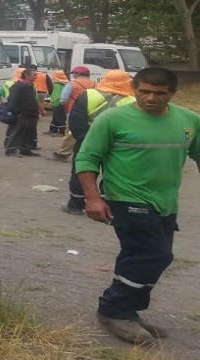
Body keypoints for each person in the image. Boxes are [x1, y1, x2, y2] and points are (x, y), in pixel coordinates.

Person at [75, 67, 200, 345]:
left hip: (166, 202)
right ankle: (114, 310)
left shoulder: (189, 120)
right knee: (156, 255)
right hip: (126, 199)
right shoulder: (112, 119)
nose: (151, 98)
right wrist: (93, 198)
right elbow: (86, 159)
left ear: (172, 93)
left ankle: (126, 310)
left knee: (135, 255)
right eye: (144, 91)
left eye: (159, 93)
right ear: (133, 88)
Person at [62, 70, 134, 215]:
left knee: (82, 171)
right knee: (113, 174)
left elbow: (76, 120)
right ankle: (108, 204)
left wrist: (84, 139)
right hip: (116, 145)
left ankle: (76, 204)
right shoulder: (132, 100)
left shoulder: (88, 94)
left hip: (87, 141)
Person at [54, 66, 96, 161]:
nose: (73, 75)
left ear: (78, 74)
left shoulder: (72, 84)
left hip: (74, 111)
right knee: (89, 132)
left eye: (74, 73)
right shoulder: (94, 84)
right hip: (91, 111)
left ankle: (64, 153)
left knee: (70, 132)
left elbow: (63, 100)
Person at [4, 66, 42, 158]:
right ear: (26, 75)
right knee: (17, 132)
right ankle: (11, 150)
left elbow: (33, 100)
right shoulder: (17, 87)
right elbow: (12, 101)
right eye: (34, 75)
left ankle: (25, 149)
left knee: (29, 133)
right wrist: (17, 112)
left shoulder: (30, 86)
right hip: (22, 114)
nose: (36, 77)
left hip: (31, 114)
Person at [48, 69, 69, 135]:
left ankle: (61, 131)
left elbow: (57, 95)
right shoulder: (65, 83)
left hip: (57, 103)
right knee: (59, 117)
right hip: (62, 103)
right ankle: (54, 129)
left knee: (58, 117)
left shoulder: (57, 84)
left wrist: (53, 102)